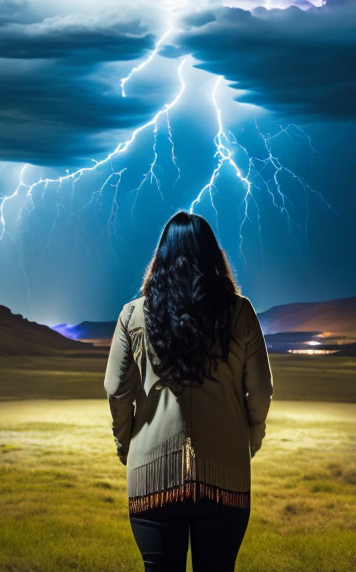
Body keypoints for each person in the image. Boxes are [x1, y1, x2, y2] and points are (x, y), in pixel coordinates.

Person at [104, 210, 274, 571]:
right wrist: (249, 438)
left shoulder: (132, 315)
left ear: (160, 257)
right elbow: (261, 390)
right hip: (225, 476)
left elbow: (117, 390)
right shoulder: (240, 313)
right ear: (214, 257)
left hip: (152, 476)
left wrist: (126, 445)